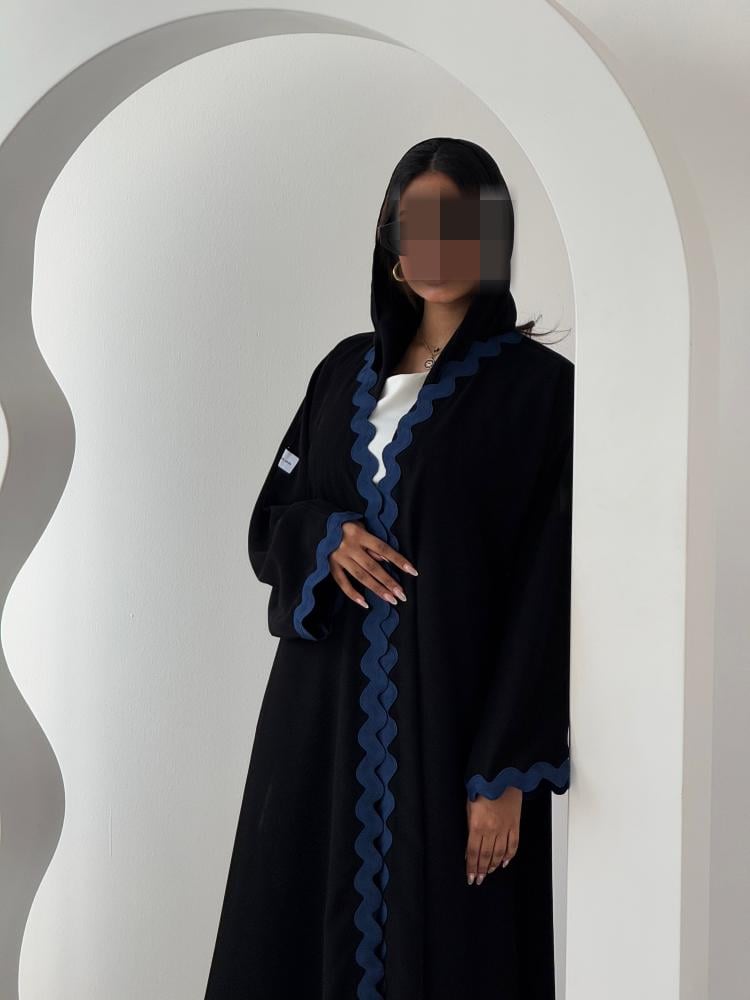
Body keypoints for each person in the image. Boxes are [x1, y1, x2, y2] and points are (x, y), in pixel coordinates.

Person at [204, 136, 574, 1000]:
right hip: (319, 721)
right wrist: (325, 536)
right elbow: (270, 521)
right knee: (296, 935)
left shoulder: (540, 392)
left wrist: (506, 771)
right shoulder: (341, 373)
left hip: (449, 726)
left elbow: (548, 589)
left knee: (447, 945)